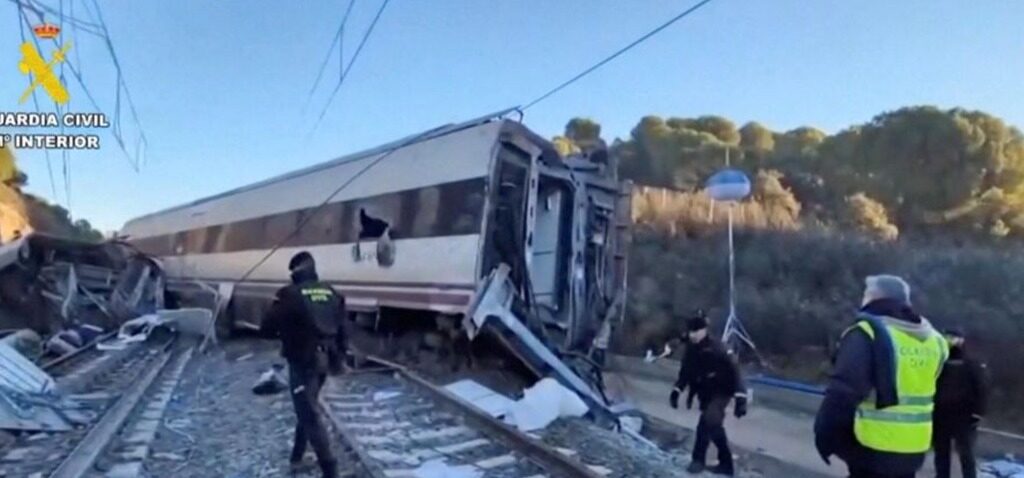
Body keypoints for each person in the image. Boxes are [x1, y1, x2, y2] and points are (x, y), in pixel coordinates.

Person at [814, 275, 948, 478]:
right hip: (914, 448)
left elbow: (843, 393)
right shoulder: (935, 340)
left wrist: (825, 436)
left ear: (874, 298)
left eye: (866, 294)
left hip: (871, 446)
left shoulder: (866, 332)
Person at [260, 251, 348, 478]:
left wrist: (286, 333)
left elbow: (266, 328)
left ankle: (331, 472)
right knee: (307, 405)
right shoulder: (331, 292)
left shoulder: (289, 294)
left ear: (295, 272)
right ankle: (297, 457)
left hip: (303, 361)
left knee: (309, 414)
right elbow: (344, 329)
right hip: (325, 360)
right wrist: (340, 359)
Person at [670, 311, 748, 476]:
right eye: (691, 331)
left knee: (709, 419)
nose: (693, 335)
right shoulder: (691, 351)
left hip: (722, 390)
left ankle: (701, 461)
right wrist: (677, 390)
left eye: (696, 331)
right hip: (705, 392)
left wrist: (741, 397)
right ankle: (721, 464)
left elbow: (735, 371)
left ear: (704, 330)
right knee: (708, 426)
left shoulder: (718, 348)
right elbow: (685, 372)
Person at [933, 328, 987, 478]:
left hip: (964, 416)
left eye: (953, 338)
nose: (950, 340)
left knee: (966, 454)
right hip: (940, 415)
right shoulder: (938, 361)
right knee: (941, 454)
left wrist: (978, 412)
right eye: (947, 337)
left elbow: (980, 388)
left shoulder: (971, 363)